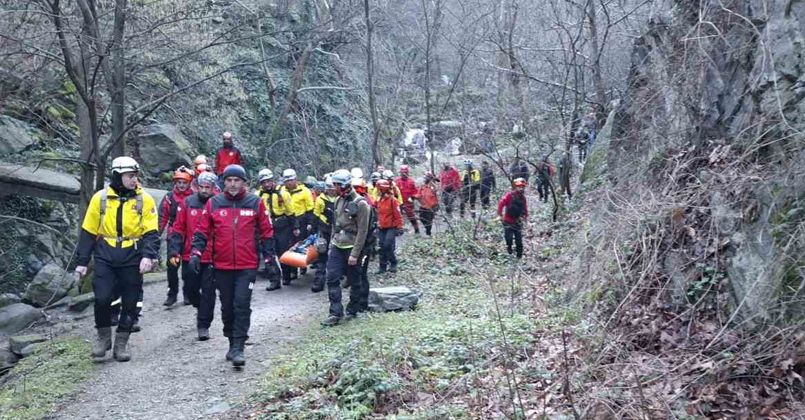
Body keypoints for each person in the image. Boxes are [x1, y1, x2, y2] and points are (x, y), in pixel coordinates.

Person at [190, 164, 275, 367]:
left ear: (244, 182)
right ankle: (231, 340)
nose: (233, 184)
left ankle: (239, 346)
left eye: (237, 180)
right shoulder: (214, 203)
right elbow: (202, 231)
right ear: (224, 182)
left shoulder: (255, 202)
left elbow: (266, 232)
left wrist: (271, 259)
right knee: (227, 308)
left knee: (241, 304)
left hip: (247, 265)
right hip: (221, 265)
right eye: (229, 180)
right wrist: (195, 253)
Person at [75, 157, 159, 362]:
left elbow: (151, 232)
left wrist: (148, 256)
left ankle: (121, 342)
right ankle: (103, 337)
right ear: (117, 176)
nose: (134, 180)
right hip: (105, 252)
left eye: (135, 176)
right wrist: (82, 262)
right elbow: (88, 232)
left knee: (130, 301)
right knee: (102, 297)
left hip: (132, 253)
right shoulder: (100, 198)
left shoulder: (144, 199)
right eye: (130, 176)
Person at [169, 172, 218, 340]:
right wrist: (174, 250)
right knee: (190, 289)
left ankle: (203, 324)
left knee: (209, 292)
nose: (204, 190)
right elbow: (178, 228)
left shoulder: (219, 203)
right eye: (202, 187)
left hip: (213, 256)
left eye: (208, 187)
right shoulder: (187, 203)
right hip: (190, 255)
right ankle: (200, 306)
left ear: (213, 188)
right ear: (197, 187)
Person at [321, 169, 371, 326]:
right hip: (337, 245)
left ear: (343, 185)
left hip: (352, 246)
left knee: (355, 280)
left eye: (335, 185)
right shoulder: (338, 201)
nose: (332, 188)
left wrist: (355, 254)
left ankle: (353, 309)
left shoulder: (361, 204)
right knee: (332, 278)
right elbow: (335, 226)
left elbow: (363, 231)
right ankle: (335, 312)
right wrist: (331, 245)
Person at [158, 167, 194, 306]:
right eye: (178, 182)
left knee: (188, 268)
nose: (181, 185)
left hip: (189, 236)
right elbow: (163, 217)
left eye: (184, 182)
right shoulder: (169, 197)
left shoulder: (194, 197)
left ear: (189, 183)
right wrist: (157, 235)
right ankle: (172, 294)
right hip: (174, 236)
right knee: (172, 267)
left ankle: (187, 293)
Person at [255, 169, 290, 291]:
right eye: (264, 182)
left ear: (272, 181)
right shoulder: (258, 195)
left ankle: (287, 275)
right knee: (268, 253)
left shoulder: (283, 193)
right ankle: (274, 279)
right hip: (265, 225)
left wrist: (294, 227)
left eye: (268, 181)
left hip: (281, 224)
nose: (266, 184)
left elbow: (290, 211)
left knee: (283, 251)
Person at [279, 168, 315, 284]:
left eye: (291, 180)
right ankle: (292, 270)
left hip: (301, 219)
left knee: (300, 243)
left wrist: (310, 223)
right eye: (287, 181)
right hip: (287, 220)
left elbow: (310, 208)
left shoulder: (304, 191)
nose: (289, 183)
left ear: (296, 180)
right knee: (289, 245)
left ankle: (302, 264)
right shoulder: (280, 192)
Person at [311, 177, 337, 293]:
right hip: (324, 229)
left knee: (337, 255)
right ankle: (319, 281)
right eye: (329, 188)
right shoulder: (320, 199)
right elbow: (316, 215)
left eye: (333, 188)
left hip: (338, 230)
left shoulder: (340, 199)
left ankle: (337, 278)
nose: (331, 190)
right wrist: (312, 228)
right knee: (322, 254)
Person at [375, 179, 402, 273]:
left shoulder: (392, 200)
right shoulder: (379, 200)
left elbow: (398, 214)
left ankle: (393, 262)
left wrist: (399, 227)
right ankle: (382, 267)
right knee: (381, 246)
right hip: (381, 227)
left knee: (387, 245)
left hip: (391, 227)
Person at [497, 178, 529, 259]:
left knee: (519, 240)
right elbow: (501, 203)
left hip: (517, 221)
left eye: (522, 187)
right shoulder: (509, 195)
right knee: (509, 238)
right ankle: (509, 249)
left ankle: (519, 256)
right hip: (507, 221)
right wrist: (500, 214)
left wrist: (525, 218)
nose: (520, 188)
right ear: (515, 187)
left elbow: (525, 209)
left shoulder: (523, 198)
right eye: (519, 187)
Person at [395, 165, 420, 234]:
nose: (403, 174)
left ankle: (416, 229)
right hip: (399, 202)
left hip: (408, 202)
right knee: (397, 216)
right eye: (402, 173)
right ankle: (399, 230)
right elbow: (394, 191)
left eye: (405, 172)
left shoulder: (411, 181)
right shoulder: (397, 181)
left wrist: (413, 197)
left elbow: (416, 192)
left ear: (407, 173)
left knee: (411, 216)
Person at [416, 172, 440, 236]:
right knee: (421, 218)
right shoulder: (422, 187)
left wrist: (432, 182)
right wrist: (415, 198)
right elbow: (418, 194)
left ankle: (428, 232)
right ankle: (427, 228)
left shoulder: (433, 187)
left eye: (426, 178)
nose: (424, 179)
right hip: (423, 206)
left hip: (431, 207)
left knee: (429, 221)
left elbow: (437, 192)